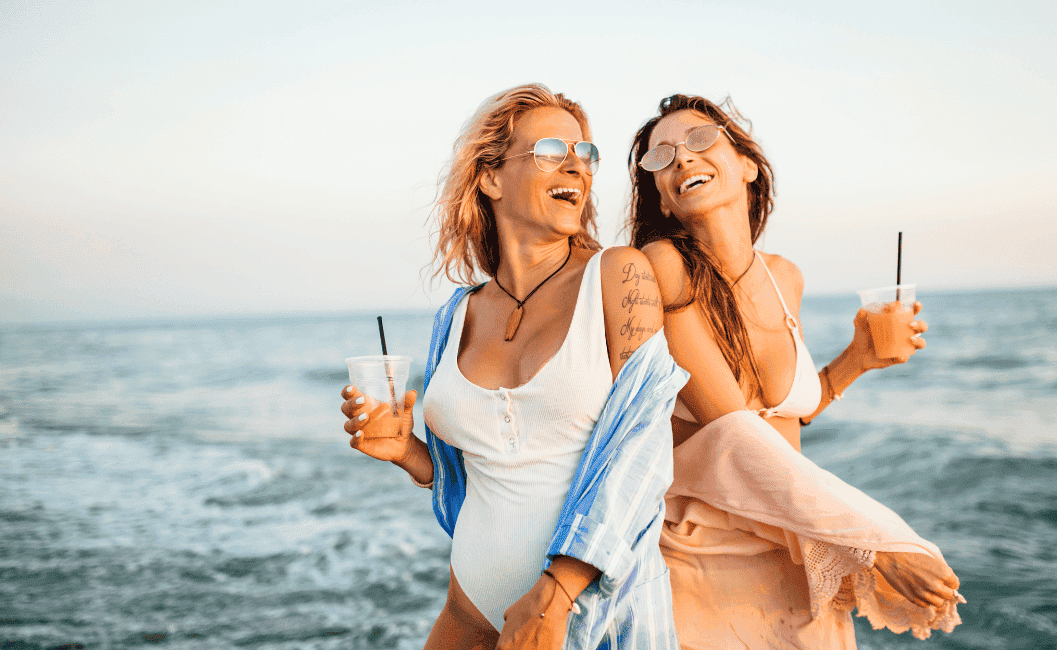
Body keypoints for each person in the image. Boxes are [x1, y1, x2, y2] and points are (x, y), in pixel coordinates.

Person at [340, 84, 686, 650]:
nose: (577, 165)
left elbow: (644, 450)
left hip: (588, 621)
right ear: (491, 177)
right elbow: (487, 468)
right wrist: (407, 452)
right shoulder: (456, 314)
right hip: (468, 617)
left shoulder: (619, 277)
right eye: (553, 150)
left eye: (586, 154)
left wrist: (554, 594)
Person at [627, 94, 965, 649]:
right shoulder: (664, 268)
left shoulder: (785, 277)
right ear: (661, 198)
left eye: (699, 140)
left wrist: (857, 359)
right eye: (660, 157)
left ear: (748, 166)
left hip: (798, 548)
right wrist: (875, 543)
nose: (682, 159)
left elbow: (782, 422)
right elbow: (733, 434)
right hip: (705, 561)